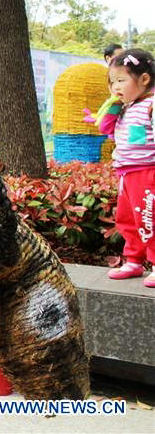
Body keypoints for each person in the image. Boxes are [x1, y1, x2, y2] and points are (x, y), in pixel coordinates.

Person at [96, 48, 155, 287]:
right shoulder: (125, 108)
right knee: (127, 218)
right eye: (112, 82)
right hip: (126, 173)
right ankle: (133, 260)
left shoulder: (151, 105)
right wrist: (112, 106)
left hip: (147, 172)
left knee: (149, 218)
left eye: (121, 80)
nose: (115, 87)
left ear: (143, 79)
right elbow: (105, 129)